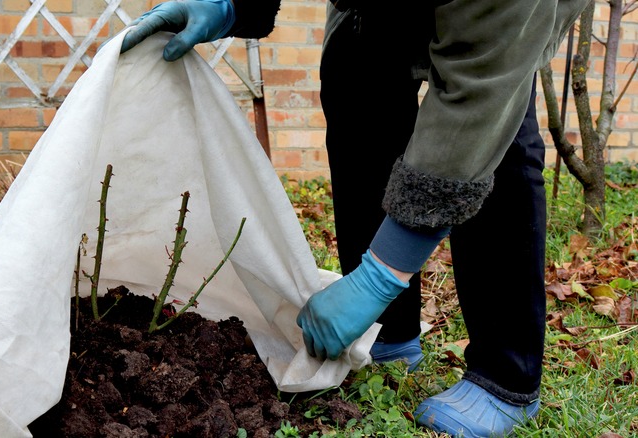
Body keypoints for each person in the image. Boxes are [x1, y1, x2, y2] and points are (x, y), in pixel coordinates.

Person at [117, 0, 591, 436]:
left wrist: (378, 278)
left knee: (496, 127)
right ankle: (390, 334)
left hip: (504, 16)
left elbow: (478, 93)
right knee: (355, 68)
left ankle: (505, 376)